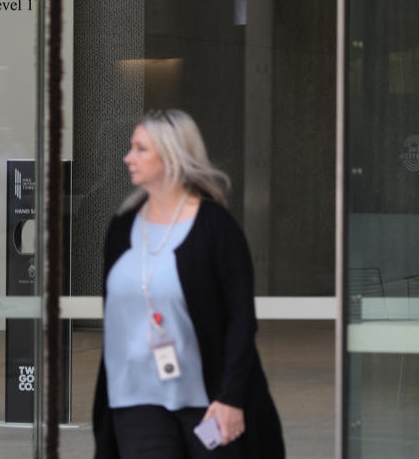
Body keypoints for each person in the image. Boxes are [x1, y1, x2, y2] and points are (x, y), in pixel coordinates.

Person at [93, 109, 284, 458]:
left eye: (140, 149)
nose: (128, 157)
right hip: (134, 401)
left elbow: (241, 320)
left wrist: (231, 398)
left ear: (171, 157)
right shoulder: (121, 229)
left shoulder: (215, 228)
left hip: (206, 404)